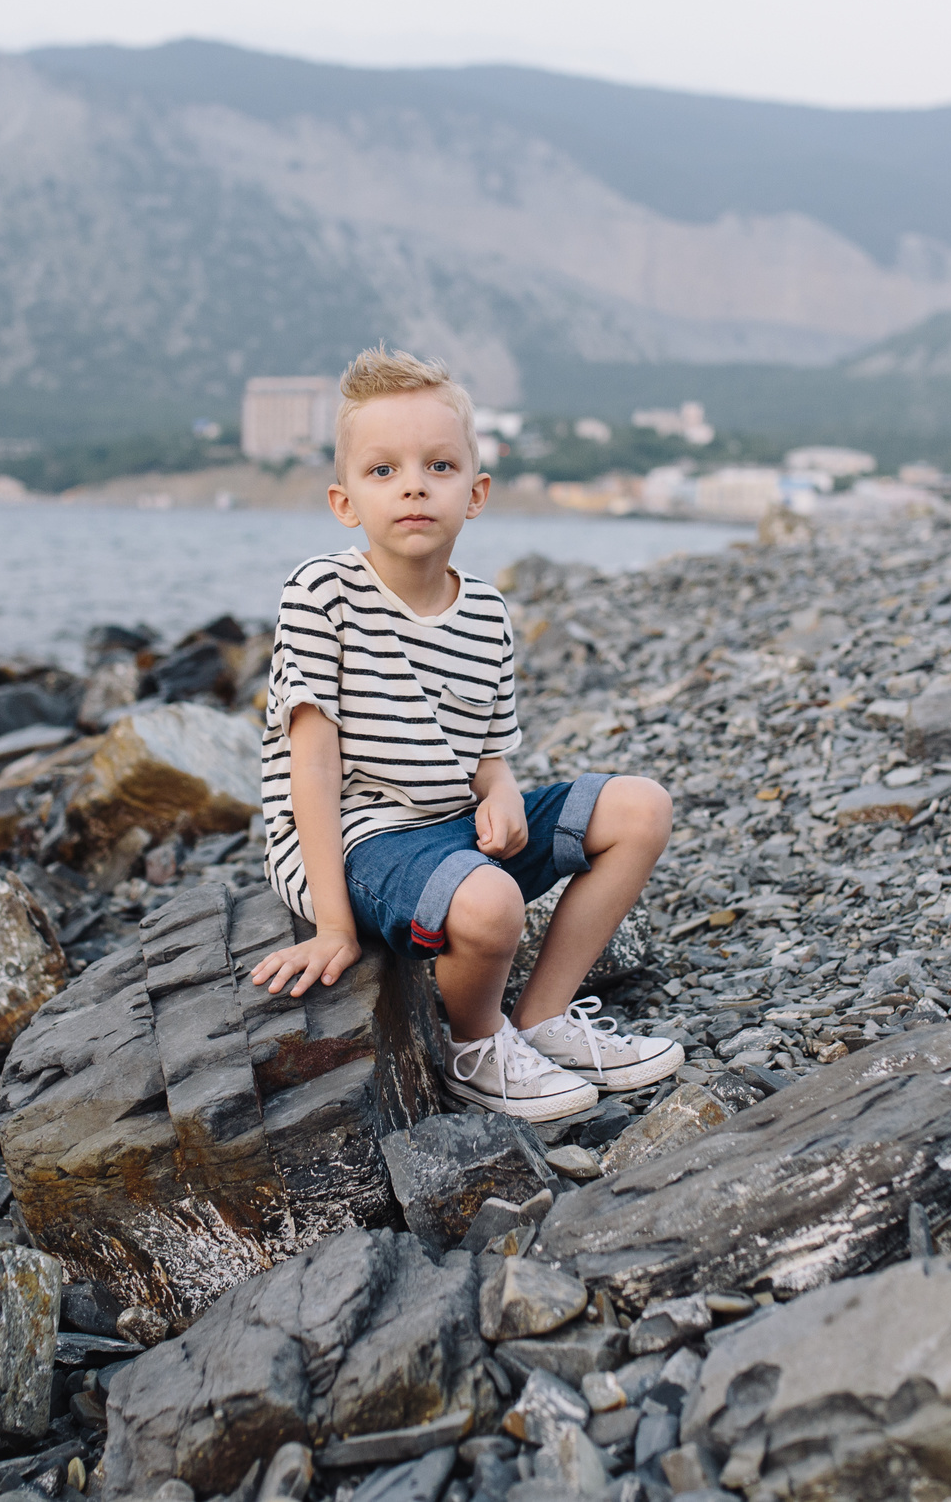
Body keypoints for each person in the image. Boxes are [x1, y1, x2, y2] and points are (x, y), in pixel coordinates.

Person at [248, 347, 681, 1121]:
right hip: (357, 838)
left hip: (447, 824)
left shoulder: (484, 611)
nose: (413, 483)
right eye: (383, 470)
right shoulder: (322, 593)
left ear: (474, 492)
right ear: (345, 502)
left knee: (640, 807)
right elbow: (309, 766)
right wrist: (334, 924)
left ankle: (542, 1018)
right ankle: (474, 1044)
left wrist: (504, 790)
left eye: (438, 465)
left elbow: (485, 748)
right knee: (491, 908)